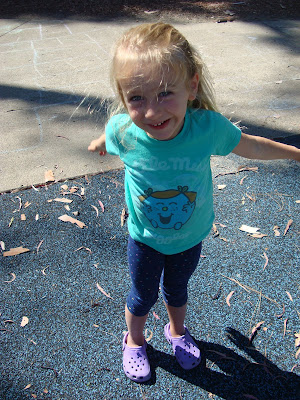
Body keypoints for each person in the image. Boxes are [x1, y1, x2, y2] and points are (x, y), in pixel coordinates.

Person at [88, 23, 300, 383]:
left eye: (165, 93)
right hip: (145, 238)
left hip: (190, 237)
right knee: (141, 296)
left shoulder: (206, 129)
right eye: (136, 98)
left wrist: (295, 154)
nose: (152, 112)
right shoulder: (123, 131)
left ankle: (176, 331)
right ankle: (135, 340)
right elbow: (109, 135)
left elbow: (252, 146)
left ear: (192, 86)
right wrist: (99, 143)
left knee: (177, 290)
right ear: (123, 98)